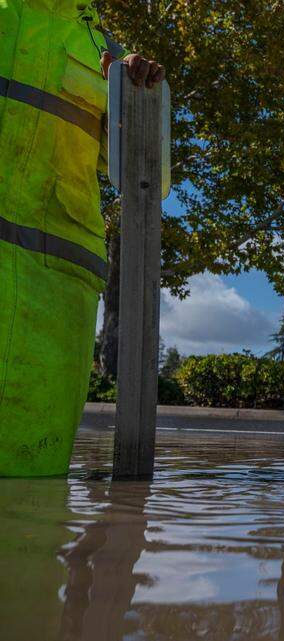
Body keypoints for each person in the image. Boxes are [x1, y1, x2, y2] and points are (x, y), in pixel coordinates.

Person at [0, 1, 164, 476]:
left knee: (35, 476)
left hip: (58, 289)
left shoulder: (107, 51)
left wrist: (135, 99)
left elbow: (140, 169)